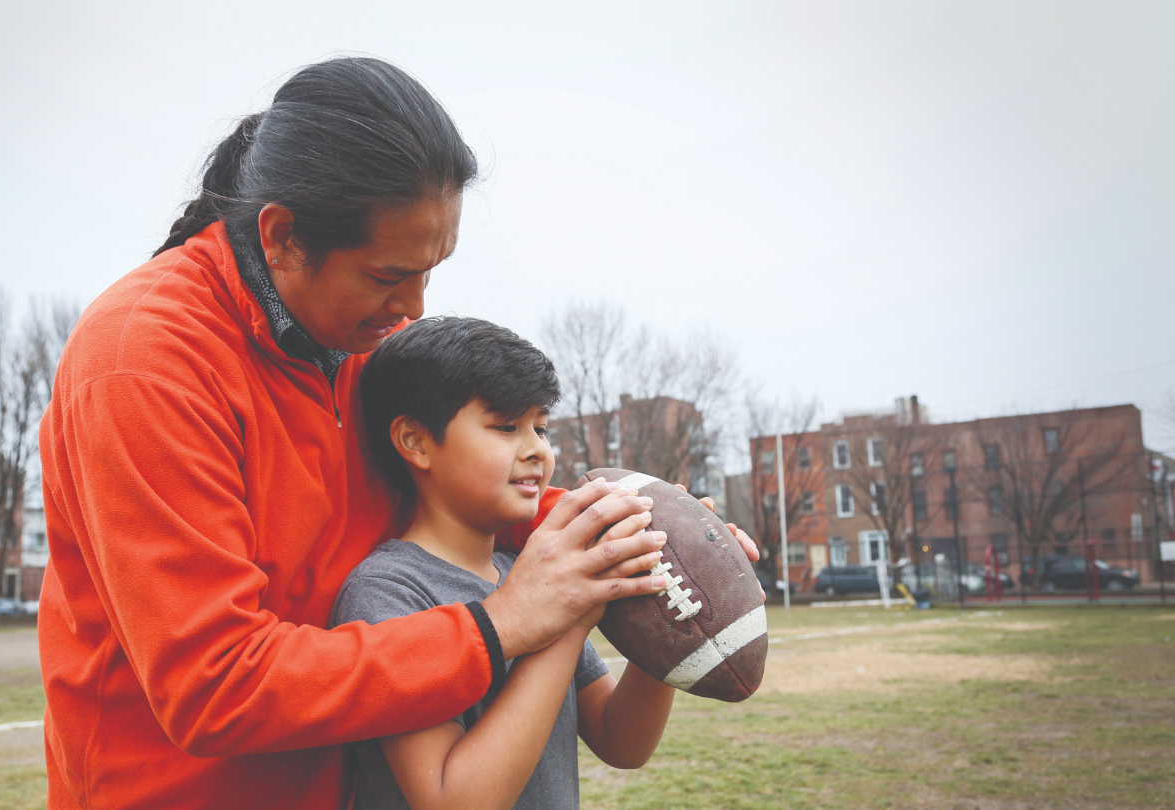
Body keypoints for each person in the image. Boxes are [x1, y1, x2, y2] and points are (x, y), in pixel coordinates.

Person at [38, 56, 756, 809]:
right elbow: (213, 683)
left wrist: (633, 534)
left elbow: (459, 489)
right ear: (282, 236)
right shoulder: (143, 361)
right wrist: (505, 622)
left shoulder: (352, 345)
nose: (411, 309)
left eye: (429, 271)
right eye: (386, 277)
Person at [333, 317, 677, 810]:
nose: (537, 448)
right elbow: (454, 799)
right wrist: (568, 616)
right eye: (505, 426)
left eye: (540, 427)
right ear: (415, 441)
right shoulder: (388, 592)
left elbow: (621, 741)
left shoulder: (525, 570)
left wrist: (663, 601)